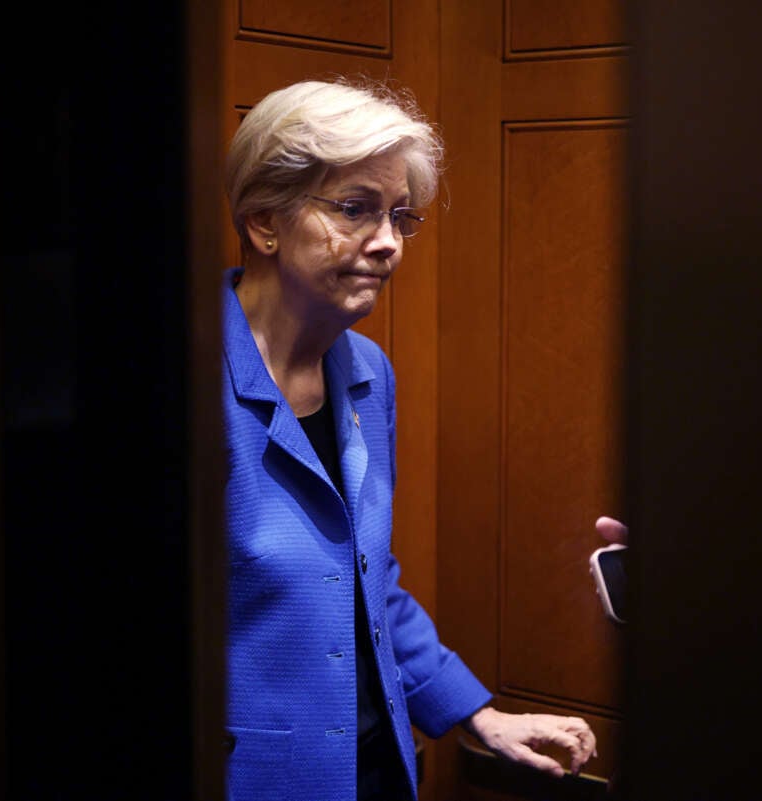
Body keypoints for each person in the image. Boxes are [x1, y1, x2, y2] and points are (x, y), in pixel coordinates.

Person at [222, 77, 597, 801]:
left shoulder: (367, 371)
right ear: (264, 222)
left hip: (377, 768)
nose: (389, 242)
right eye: (356, 209)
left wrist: (476, 712)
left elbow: (364, 579)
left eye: (400, 215)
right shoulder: (181, 378)